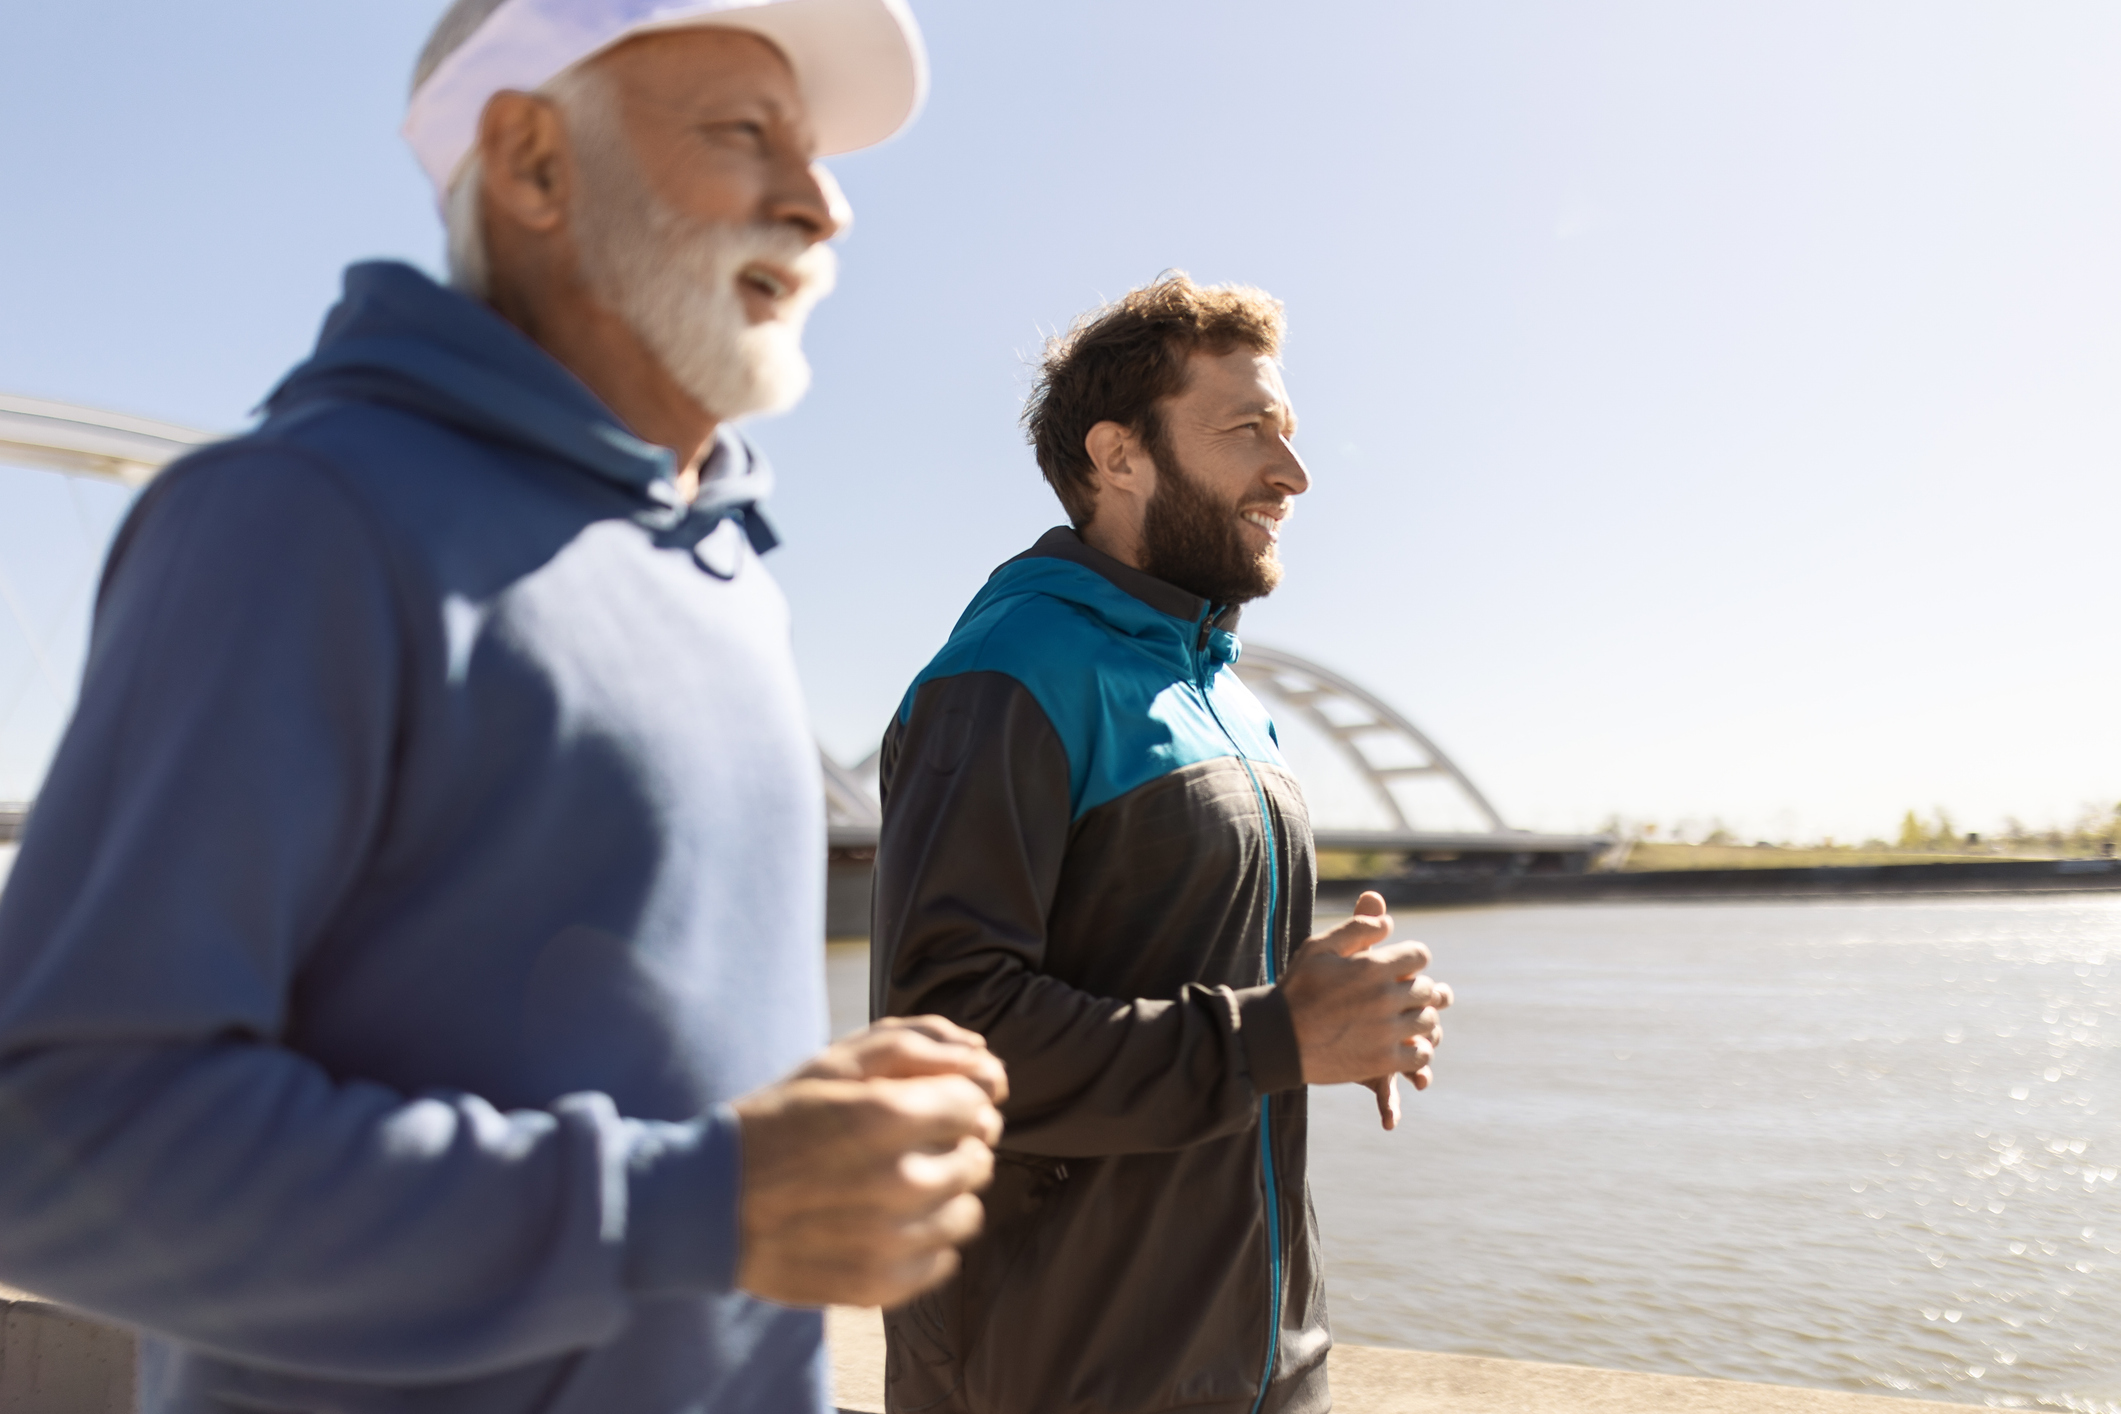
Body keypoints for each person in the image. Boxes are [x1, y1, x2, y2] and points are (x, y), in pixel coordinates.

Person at [0, 3, 1006, 1412]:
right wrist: (697, 1198)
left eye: (820, 151)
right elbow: (52, 1140)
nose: (822, 202)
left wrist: (805, 1121)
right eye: (744, 136)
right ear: (533, 162)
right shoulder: (299, 518)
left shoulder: (724, 570)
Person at [870, 274, 1454, 1414]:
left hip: (1264, 1362)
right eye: (1248, 432)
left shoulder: (1229, 698)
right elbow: (951, 1034)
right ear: (1117, 455)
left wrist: (1342, 1008)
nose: (1291, 475)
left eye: (1287, 434)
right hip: (1063, 1376)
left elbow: (1210, 994)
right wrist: (1279, 1031)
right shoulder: (1009, 674)